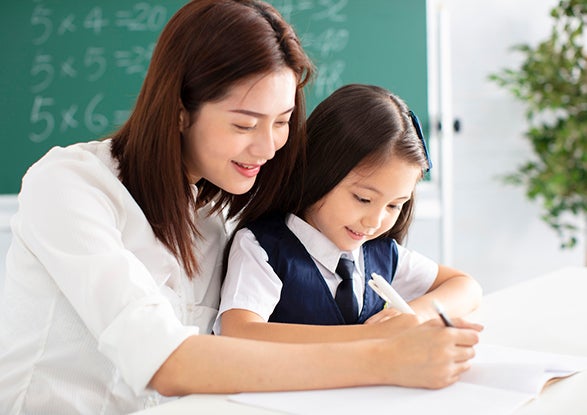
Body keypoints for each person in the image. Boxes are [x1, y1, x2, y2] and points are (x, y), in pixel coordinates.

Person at [0, 1, 481, 414]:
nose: (268, 147)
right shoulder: (69, 186)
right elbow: (169, 362)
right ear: (181, 109)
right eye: (245, 123)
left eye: (283, 121)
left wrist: (407, 327)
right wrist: (385, 354)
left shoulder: (221, 211)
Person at [216, 84, 483, 342]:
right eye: (363, 198)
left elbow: (466, 286)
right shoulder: (262, 248)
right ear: (320, 172)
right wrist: (368, 337)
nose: (375, 222)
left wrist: (414, 317)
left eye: (394, 205)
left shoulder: (379, 253)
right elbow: (239, 332)